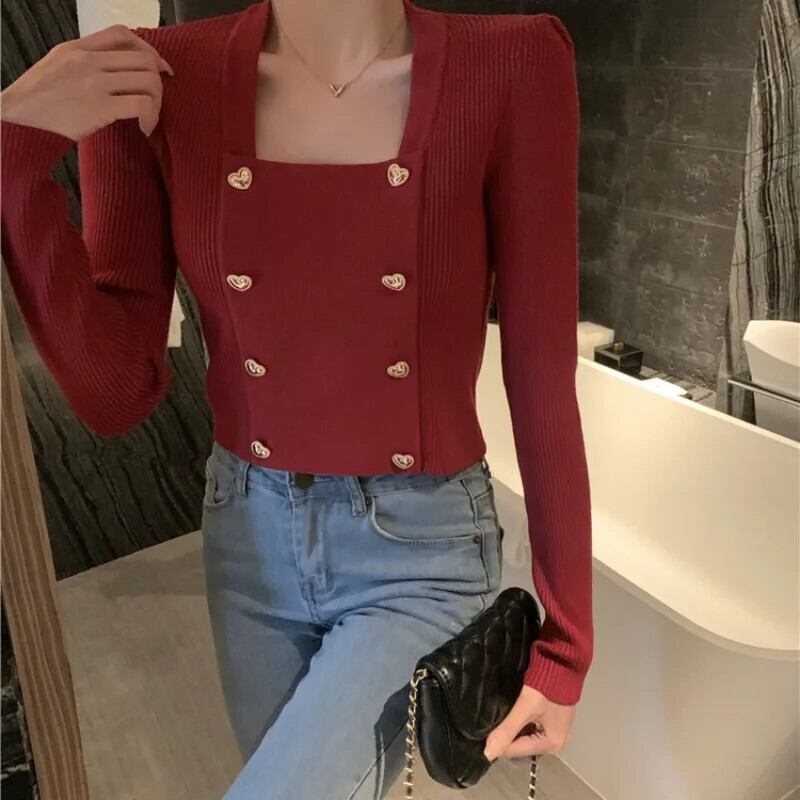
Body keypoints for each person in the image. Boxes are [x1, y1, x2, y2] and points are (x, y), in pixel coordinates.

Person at [0, 0, 593, 797]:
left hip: (419, 547)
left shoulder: (510, 62)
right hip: (249, 542)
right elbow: (116, 393)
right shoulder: (155, 75)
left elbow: (542, 372)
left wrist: (566, 645)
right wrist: (11, 150)